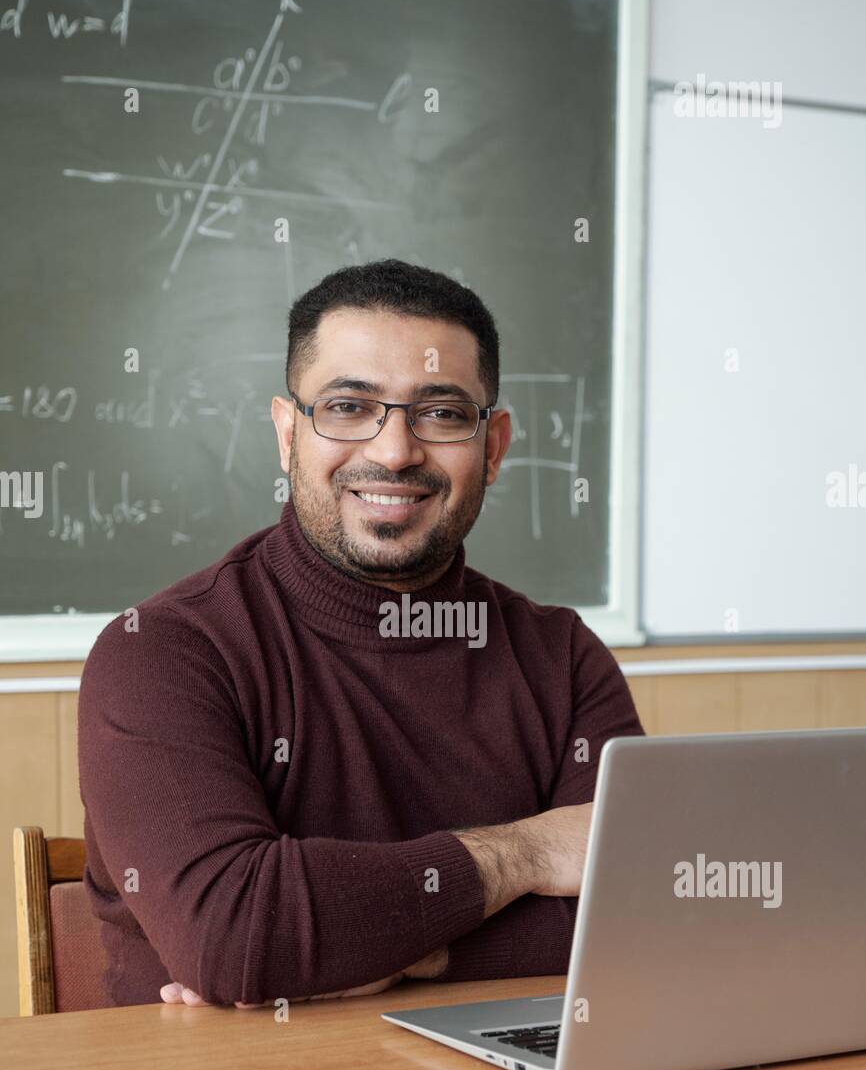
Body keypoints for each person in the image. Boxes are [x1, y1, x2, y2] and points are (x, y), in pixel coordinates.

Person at [78, 259, 643, 1008]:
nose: (394, 451)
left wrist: (399, 954)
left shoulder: (563, 658)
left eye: (442, 413)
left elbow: (637, 917)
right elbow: (237, 937)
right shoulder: (162, 651)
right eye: (348, 407)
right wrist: (530, 852)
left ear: (495, 446)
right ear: (288, 434)